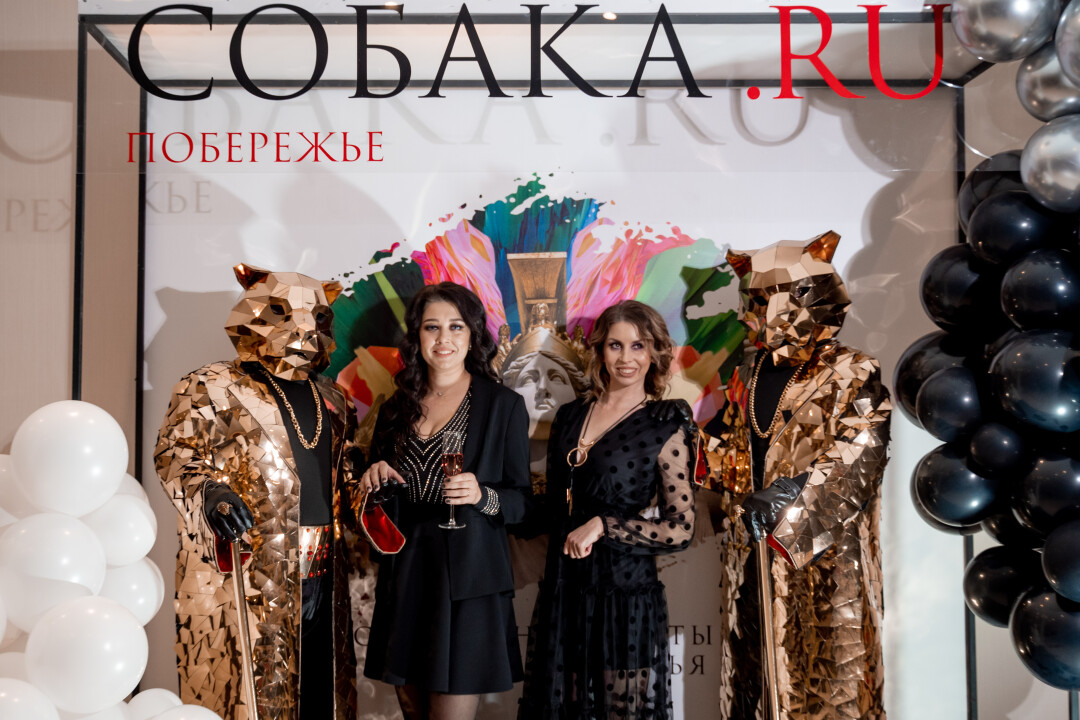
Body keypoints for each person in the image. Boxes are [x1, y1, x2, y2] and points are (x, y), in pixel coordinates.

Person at [155, 264, 364, 720]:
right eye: (283, 311)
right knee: (255, 691)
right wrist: (210, 494)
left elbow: (343, 472)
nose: (302, 328)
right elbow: (175, 453)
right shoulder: (212, 385)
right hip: (254, 566)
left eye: (316, 316)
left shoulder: (334, 397)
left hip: (324, 566)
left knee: (321, 688)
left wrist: (368, 489)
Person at [703, 231, 891, 719]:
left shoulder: (852, 370)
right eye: (756, 299)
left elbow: (863, 449)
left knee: (829, 685)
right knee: (754, 680)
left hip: (826, 561)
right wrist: (690, 448)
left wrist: (793, 493)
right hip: (750, 559)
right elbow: (736, 461)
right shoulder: (747, 373)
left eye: (775, 296)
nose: (763, 312)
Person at [360, 281, 532, 720]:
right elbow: (376, 506)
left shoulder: (503, 406)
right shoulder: (395, 408)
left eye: (456, 326)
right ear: (417, 336)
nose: (444, 338)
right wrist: (374, 481)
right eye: (431, 327)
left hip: (469, 584)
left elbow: (523, 504)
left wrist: (482, 495)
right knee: (412, 712)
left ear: (473, 335)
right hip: (407, 575)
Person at [519, 299, 697, 720]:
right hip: (566, 587)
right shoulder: (569, 416)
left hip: (623, 595)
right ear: (600, 350)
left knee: (621, 714)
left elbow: (680, 529)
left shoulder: (664, 423)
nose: (626, 358)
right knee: (562, 710)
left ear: (654, 353)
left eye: (638, 346)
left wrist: (604, 525)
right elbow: (552, 506)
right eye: (615, 345)